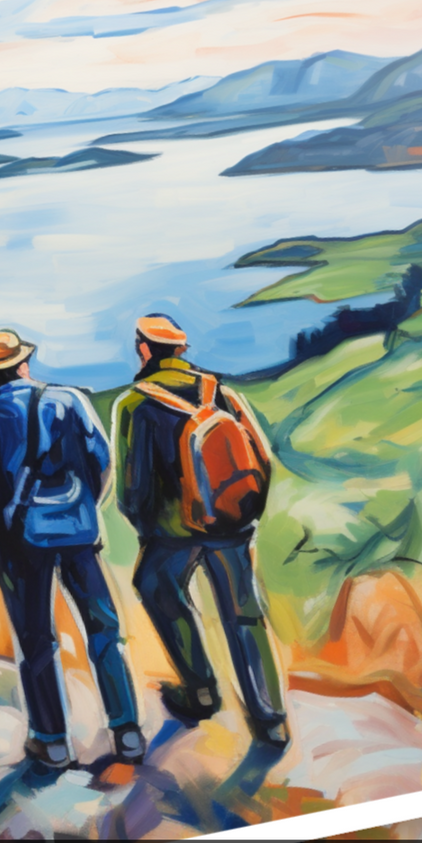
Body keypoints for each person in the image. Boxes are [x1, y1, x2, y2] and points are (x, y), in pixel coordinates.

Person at [0, 327, 145, 771]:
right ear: (24, 363)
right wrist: (84, 508)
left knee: (37, 642)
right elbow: (101, 461)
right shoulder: (70, 400)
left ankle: (52, 741)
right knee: (103, 630)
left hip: (19, 541)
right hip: (78, 531)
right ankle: (127, 731)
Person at [113, 314, 288, 748]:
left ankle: (201, 688)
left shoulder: (136, 403)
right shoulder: (221, 392)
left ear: (143, 349)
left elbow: (133, 484)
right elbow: (259, 456)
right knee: (243, 612)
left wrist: (143, 524)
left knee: (156, 588)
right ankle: (270, 717)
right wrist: (243, 512)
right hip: (231, 522)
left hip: (173, 530)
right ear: (180, 351)